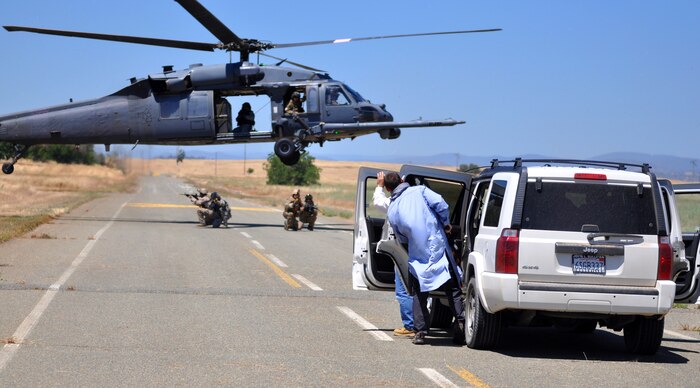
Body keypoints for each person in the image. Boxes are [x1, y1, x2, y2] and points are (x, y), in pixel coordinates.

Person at [384, 172, 465, 346]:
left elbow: (401, 236)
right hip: (438, 247)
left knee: (419, 294)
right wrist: (446, 223)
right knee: (453, 289)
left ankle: (420, 332)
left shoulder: (393, 207)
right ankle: (460, 324)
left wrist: (413, 240)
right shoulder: (420, 190)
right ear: (402, 181)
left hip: (417, 253)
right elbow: (441, 204)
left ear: (388, 188)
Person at [374, 172, 415, 337]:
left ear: (389, 188)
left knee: (403, 289)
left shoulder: (394, 202)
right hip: (419, 247)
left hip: (402, 248)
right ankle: (419, 322)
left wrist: (379, 185)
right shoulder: (415, 200)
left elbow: (378, 202)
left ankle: (410, 325)